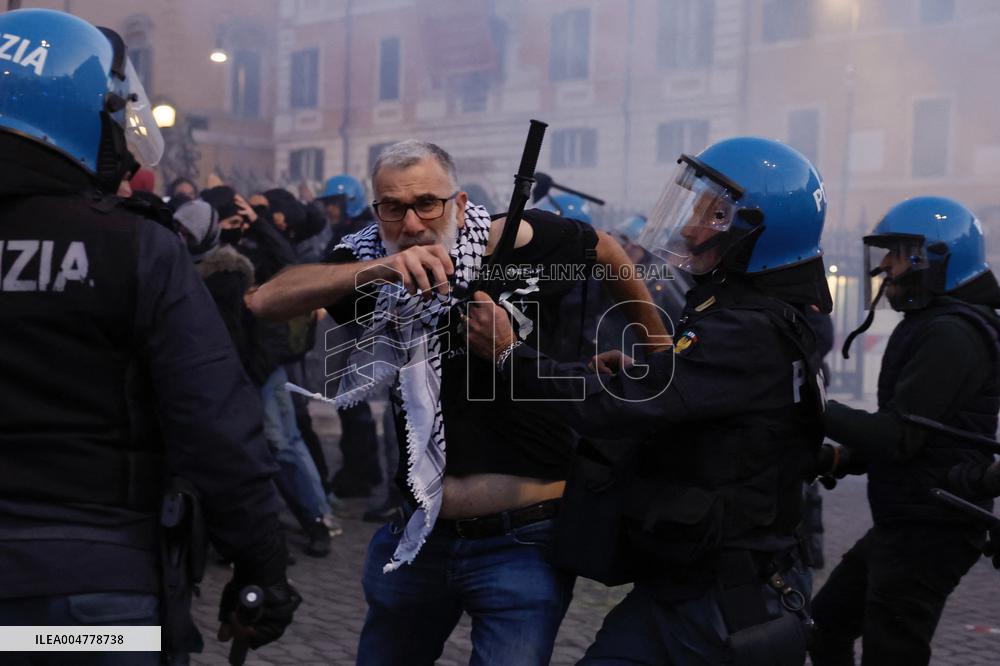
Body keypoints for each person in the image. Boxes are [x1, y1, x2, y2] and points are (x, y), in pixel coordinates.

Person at [248, 139, 667, 664]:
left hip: (525, 540)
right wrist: (381, 270)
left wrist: (657, 350)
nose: (413, 222)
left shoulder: (516, 241)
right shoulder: (369, 261)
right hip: (417, 535)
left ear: (461, 204)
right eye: (393, 207)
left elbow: (606, 249)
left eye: (428, 203)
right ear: (376, 210)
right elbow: (265, 299)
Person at [0, 9, 299, 665]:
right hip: (89, 598)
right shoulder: (133, 244)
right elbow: (214, 421)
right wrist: (261, 567)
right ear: (79, 114)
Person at [466, 136, 831, 665]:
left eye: (716, 215)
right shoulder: (754, 313)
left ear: (759, 230)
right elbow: (703, 398)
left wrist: (508, 354)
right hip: (690, 585)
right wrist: (650, 372)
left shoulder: (749, 327)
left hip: (721, 599)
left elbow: (610, 407)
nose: (690, 227)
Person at [809, 196, 1000, 666]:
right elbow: (918, 432)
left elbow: (900, 436)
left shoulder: (951, 333)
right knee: (825, 623)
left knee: (892, 652)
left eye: (896, 256)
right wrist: (842, 459)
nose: (886, 270)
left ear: (933, 257)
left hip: (934, 525)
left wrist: (812, 406)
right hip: (909, 517)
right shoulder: (932, 323)